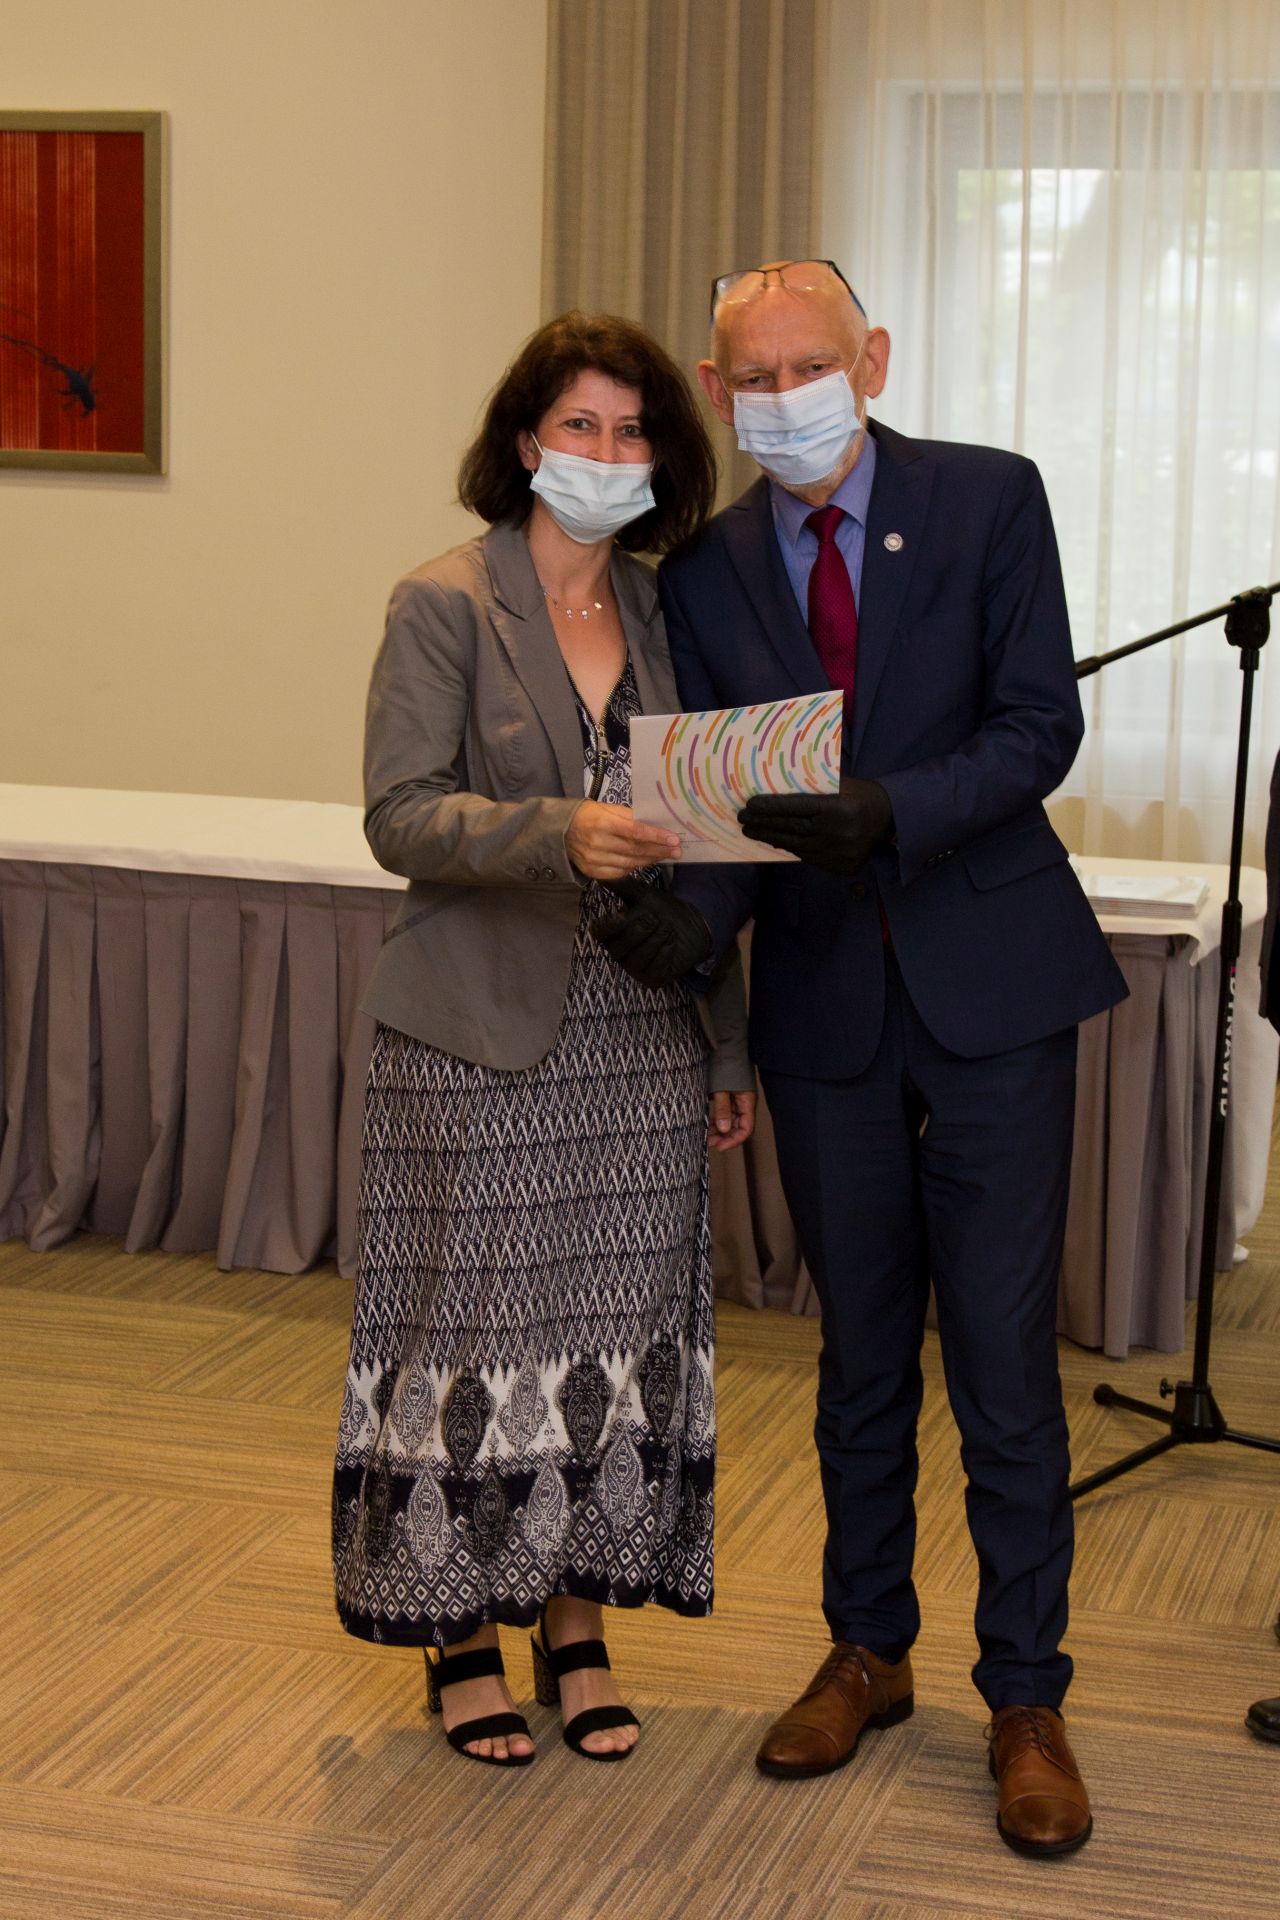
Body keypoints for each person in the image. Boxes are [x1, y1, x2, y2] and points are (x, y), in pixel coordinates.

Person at [596, 260, 1127, 1853]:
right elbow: (720, 800)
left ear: (871, 357)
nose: (783, 399)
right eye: (752, 378)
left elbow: (1038, 728)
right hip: (825, 1008)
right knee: (859, 1362)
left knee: (1005, 1368)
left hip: (994, 991)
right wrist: (689, 933)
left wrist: (894, 811)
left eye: (808, 364)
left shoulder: (988, 498)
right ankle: (867, 1650)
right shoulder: (702, 569)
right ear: (717, 390)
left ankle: (1025, 1694)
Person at [332, 310, 755, 1769]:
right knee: (466, 1337)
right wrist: (554, 830)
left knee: (615, 1341)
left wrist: (725, 1048)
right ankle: (457, 1634)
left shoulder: (664, 608)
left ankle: (577, 1625)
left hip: (643, 1037)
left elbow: (707, 839)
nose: (608, 452)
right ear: (526, 441)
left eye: (634, 431)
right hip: (474, 1036)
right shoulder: (443, 601)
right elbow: (397, 816)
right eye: (581, 425)